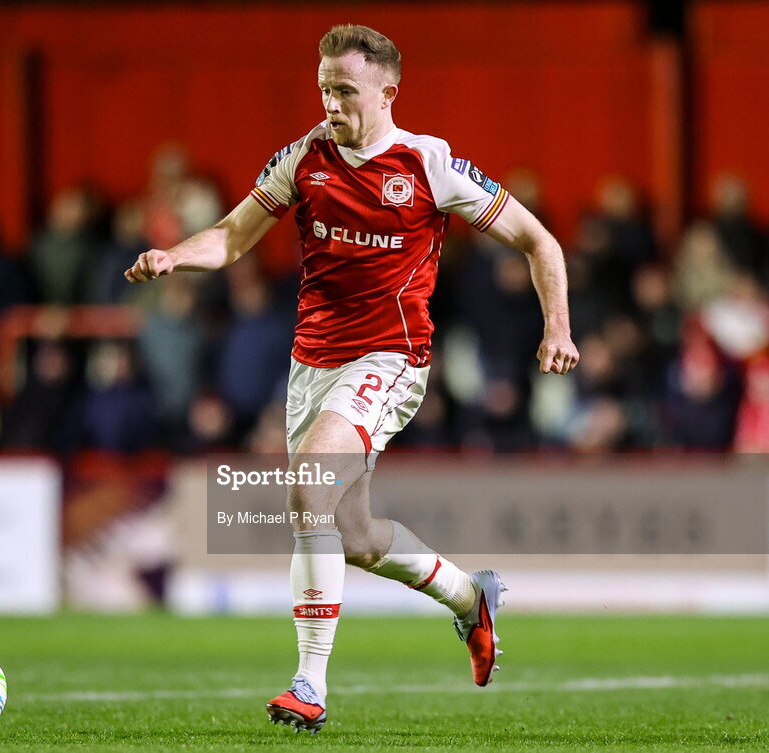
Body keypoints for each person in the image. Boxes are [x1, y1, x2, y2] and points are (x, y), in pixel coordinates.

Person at [125, 24, 579, 734]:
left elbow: (538, 240)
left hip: (390, 360)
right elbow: (233, 236)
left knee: (310, 485)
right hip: (312, 364)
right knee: (356, 535)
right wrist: (173, 256)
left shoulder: (430, 165)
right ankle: (471, 598)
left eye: (345, 89)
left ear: (387, 91)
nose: (331, 102)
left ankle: (309, 682)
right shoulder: (304, 158)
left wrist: (558, 327)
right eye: (325, 88)